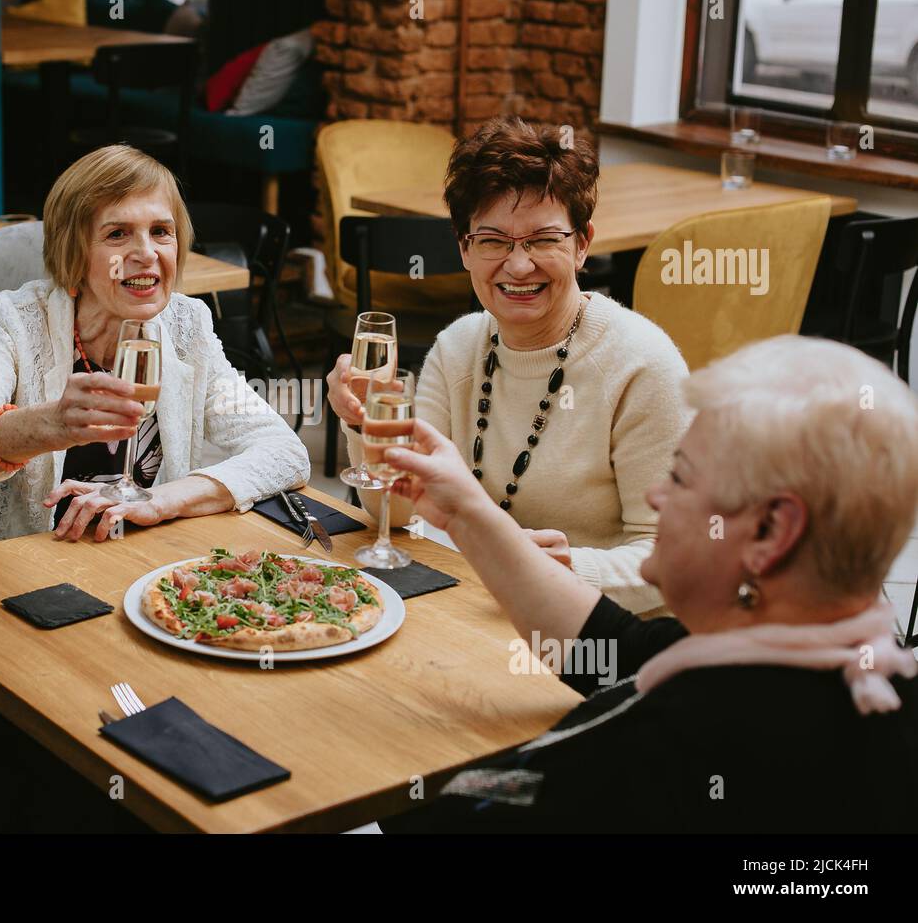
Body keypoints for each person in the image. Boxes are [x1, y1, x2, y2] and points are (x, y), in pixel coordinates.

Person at [379, 335, 918, 832]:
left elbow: (445, 813)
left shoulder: (659, 760)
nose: (657, 496)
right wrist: (465, 511)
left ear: (770, 532)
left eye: (681, 477)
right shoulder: (847, 668)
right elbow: (616, 650)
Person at [328, 116, 688, 612]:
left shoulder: (643, 365)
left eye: (543, 240)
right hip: (468, 602)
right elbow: (401, 514)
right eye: (494, 241)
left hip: (596, 632)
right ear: (464, 249)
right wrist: (361, 421)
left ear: (582, 244)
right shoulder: (457, 348)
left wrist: (574, 570)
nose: (518, 266)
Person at [0, 144, 310, 558]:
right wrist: (51, 424)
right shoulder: (15, 318)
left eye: (161, 232)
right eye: (117, 234)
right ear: (74, 253)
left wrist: (162, 501)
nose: (146, 253)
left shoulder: (188, 325)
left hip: (121, 563)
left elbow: (283, 450)